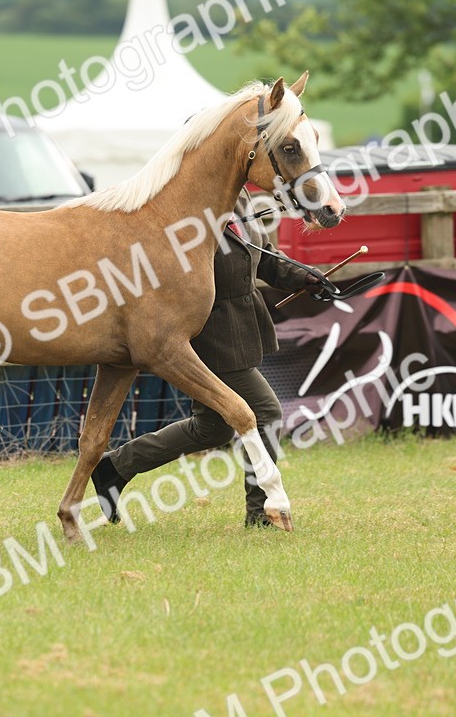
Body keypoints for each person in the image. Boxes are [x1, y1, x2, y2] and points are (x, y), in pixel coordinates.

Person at [90, 193, 320, 528]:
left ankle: (115, 467)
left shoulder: (238, 198)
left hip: (238, 327)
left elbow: (263, 256)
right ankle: (261, 513)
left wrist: (304, 276)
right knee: (265, 413)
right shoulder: (185, 208)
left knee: (211, 429)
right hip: (208, 330)